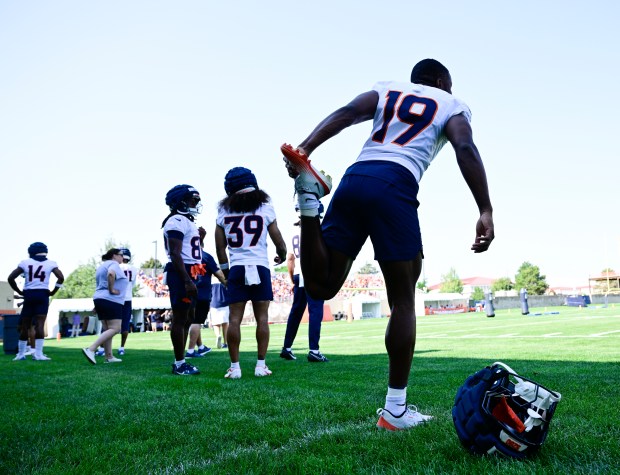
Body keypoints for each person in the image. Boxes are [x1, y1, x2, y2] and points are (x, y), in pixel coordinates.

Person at [280, 59, 494, 430]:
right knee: (403, 300)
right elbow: (465, 147)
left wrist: (305, 148)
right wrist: (485, 209)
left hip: (355, 177)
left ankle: (310, 202)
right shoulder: (451, 103)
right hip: (395, 184)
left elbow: (348, 113)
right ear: (443, 82)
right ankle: (395, 409)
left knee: (321, 285)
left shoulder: (387, 88)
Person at [215, 167, 287, 379]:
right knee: (262, 318)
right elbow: (278, 239)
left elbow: (220, 248)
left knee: (234, 319)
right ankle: (260, 366)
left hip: (237, 267)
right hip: (260, 266)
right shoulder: (265, 207)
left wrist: (226, 272)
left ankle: (235, 367)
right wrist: (281, 255)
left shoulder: (224, 212)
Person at [161, 184, 205, 376]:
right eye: (192, 200)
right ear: (181, 202)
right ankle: (179, 363)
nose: (196, 203)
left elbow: (191, 250)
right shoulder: (177, 220)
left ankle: (182, 360)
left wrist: (201, 238)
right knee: (180, 318)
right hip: (182, 272)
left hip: (191, 270)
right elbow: (176, 254)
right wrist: (186, 280)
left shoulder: (186, 221)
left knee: (188, 317)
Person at [280, 204, 328, 363]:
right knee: (315, 311)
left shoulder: (294, 232)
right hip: (313, 273)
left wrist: (291, 278)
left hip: (299, 274)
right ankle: (314, 350)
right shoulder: (316, 230)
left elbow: (290, 258)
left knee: (296, 311)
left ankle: (286, 348)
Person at [7, 242, 65, 361]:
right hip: (42, 294)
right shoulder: (51, 263)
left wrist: (19, 291)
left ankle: (20, 354)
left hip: (29, 294)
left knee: (25, 325)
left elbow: (10, 278)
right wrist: (54, 291)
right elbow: (61, 277)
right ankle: (38, 354)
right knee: (40, 325)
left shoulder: (25, 262)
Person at [82, 249, 128, 364]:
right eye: (121, 255)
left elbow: (100, 285)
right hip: (111, 300)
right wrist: (112, 289)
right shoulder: (114, 264)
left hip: (100, 299)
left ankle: (109, 356)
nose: (123, 258)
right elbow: (111, 274)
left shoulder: (102, 266)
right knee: (115, 328)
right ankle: (91, 349)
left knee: (108, 329)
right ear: (114, 255)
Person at [185, 248, 226, 358]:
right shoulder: (206, 256)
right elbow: (219, 274)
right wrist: (228, 285)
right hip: (202, 293)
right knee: (197, 321)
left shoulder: (185, 254)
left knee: (193, 321)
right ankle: (190, 351)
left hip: (187, 292)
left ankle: (201, 347)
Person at [118, 248, 138, 355]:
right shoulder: (134, 269)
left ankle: (103, 348)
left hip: (116, 298)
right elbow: (133, 284)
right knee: (125, 325)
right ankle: (121, 347)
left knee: (110, 324)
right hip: (128, 298)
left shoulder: (116, 267)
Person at [209, 282, 230, 349]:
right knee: (225, 324)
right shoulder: (225, 282)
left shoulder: (211, 282)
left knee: (216, 324)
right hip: (225, 304)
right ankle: (225, 343)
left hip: (214, 304)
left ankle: (218, 335)